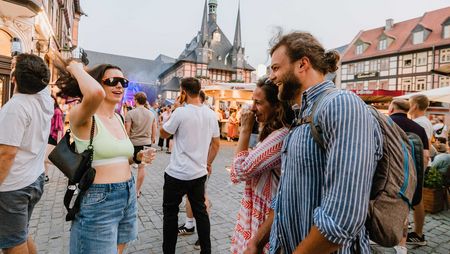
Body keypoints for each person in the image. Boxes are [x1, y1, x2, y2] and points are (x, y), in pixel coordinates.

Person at [246, 32, 383, 254]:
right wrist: (257, 241)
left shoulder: (340, 104)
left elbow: (341, 218)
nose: (271, 76)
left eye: (276, 68)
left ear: (302, 64)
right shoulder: (301, 116)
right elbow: (283, 197)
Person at [56, 61, 155, 254]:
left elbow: (120, 157)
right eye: (111, 81)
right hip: (99, 198)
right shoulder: (83, 116)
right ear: (97, 84)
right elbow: (94, 94)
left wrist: (138, 157)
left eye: (123, 82)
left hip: (128, 193)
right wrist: (75, 67)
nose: (119, 86)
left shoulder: (118, 118)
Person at [230, 77, 294, 253]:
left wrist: (244, 130)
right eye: (252, 101)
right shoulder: (275, 133)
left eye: (258, 103)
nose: (252, 108)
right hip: (261, 216)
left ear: (277, 106)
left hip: (265, 220)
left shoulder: (280, 136)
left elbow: (238, 172)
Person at [0, 54, 53, 254]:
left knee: (12, 243)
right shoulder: (44, 99)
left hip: (12, 187)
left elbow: (6, 154)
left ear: (14, 78)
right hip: (33, 178)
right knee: (20, 234)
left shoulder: (15, 108)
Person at [160, 77, 220, 254]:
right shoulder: (210, 114)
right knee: (200, 212)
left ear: (183, 92)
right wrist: (208, 162)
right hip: (198, 174)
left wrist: (174, 110)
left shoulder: (181, 112)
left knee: (170, 214)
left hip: (176, 173)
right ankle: (206, 250)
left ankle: (169, 251)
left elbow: (164, 134)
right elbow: (216, 144)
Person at [388, 99, 429, 254]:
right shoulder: (419, 128)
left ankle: (381, 234)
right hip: (413, 173)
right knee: (409, 204)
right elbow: (425, 156)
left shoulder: (386, 122)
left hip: (390, 171)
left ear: (392, 108)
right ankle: (402, 245)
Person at [407, 94, 432, 246]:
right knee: (416, 198)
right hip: (422, 164)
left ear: (414, 106)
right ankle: (415, 229)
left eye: (410, 104)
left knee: (417, 199)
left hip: (418, 165)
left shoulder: (418, 123)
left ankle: (418, 234)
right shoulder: (426, 122)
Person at [125, 92, 157, 198]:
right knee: (142, 168)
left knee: (126, 166)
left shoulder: (130, 113)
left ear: (136, 100)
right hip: (146, 143)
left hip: (133, 143)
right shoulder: (151, 114)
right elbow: (154, 130)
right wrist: (152, 139)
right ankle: (137, 190)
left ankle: (127, 189)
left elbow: (127, 131)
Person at [43, 95, 65, 182]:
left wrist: (59, 143)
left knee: (46, 158)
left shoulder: (57, 112)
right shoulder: (49, 111)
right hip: (48, 136)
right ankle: (46, 176)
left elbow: (60, 128)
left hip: (54, 137)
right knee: (44, 158)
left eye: (52, 100)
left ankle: (65, 169)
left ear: (54, 101)